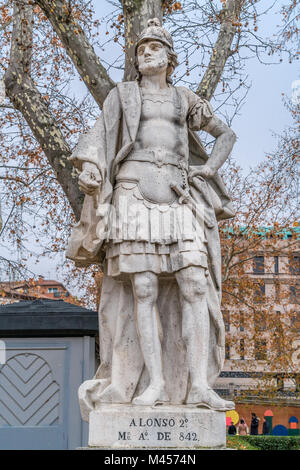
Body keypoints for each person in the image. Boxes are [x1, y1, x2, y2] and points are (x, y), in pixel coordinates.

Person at [67, 18, 236, 416]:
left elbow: (226, 135)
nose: (146, 53)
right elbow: (99, 137)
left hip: (179, 197)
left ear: (169, 57)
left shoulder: (184, 99)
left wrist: (208, 170)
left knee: (194, 283)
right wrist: (92, 167)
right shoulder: (122, 95)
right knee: (142, 289)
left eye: (154, 48)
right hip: (131, 194)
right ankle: (155, 383)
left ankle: (197, 385)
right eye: (141, 49)